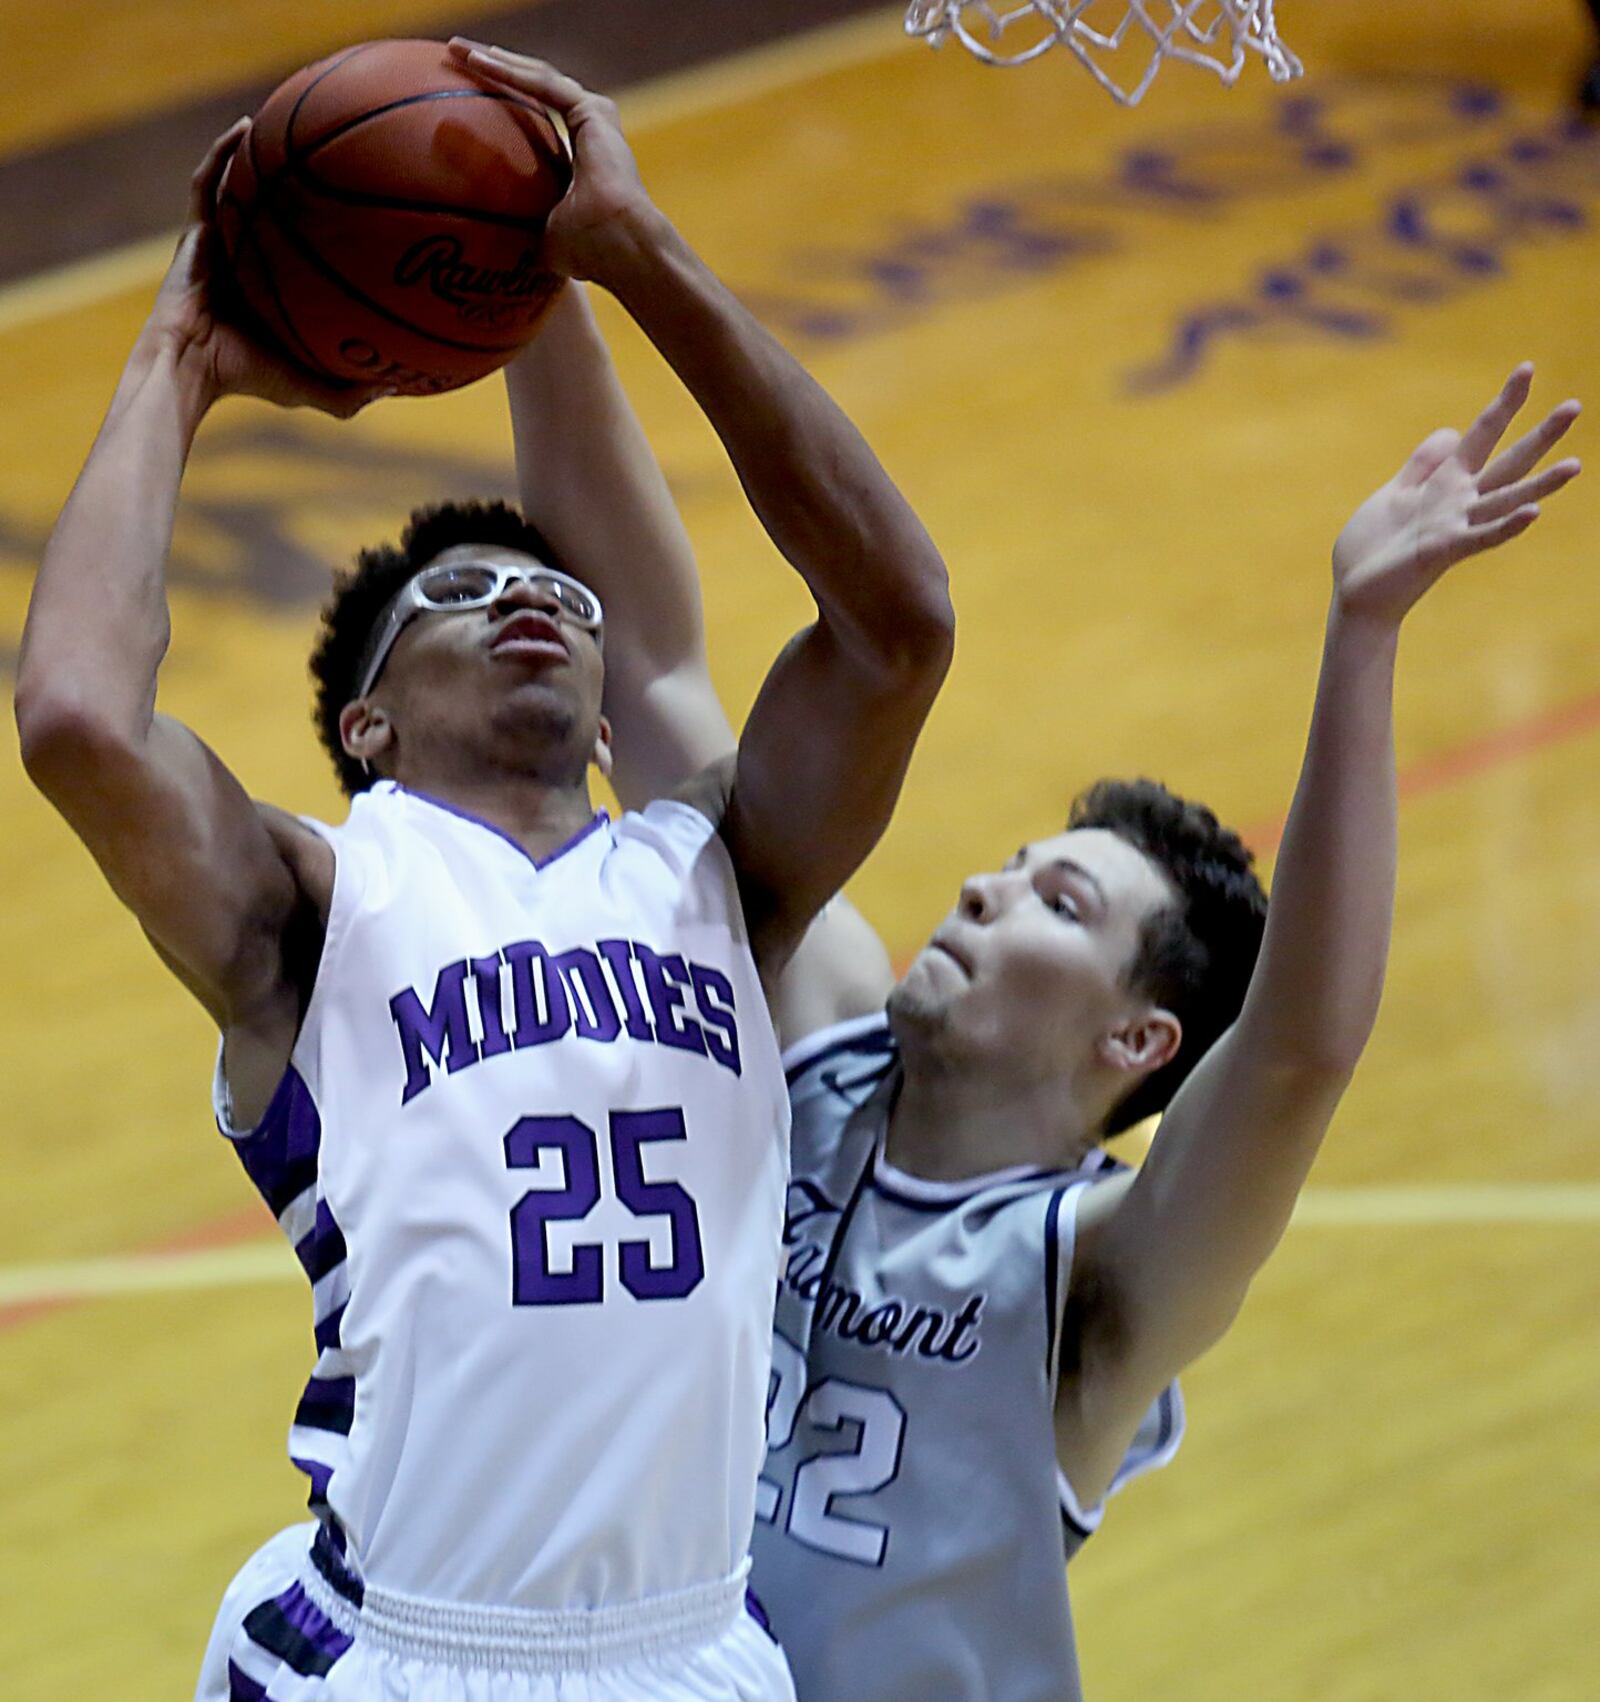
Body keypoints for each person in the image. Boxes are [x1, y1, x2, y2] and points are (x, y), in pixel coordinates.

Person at [14, 42, 953, 1702]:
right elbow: (80, 714)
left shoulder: (717, 875)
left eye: (569, 602)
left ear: (605, 710)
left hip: (699, 1652)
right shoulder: (318, 906)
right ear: (365, 719)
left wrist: (623, 257)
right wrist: (179, 351)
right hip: (394, 1649)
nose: (540, 602)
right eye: (464, 590)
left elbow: (899, 625)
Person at [552, 335, 1582, 1699]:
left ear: (1137, 1040)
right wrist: (543, 287)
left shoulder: (1089, 1286)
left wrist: (1366, 631)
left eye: (1059, 900)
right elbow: (649, 670)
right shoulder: (825, 1037)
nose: (983, 886)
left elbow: (1297, 1053)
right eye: (1014, 863)